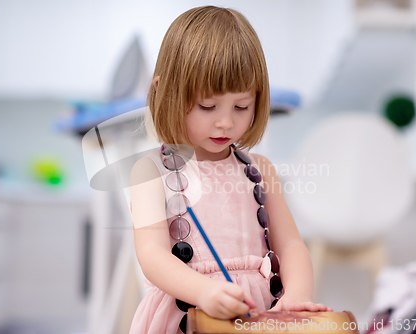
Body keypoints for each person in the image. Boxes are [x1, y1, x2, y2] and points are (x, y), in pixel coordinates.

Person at [128, 5, 333, 334]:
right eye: (207, 106)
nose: (225, 121)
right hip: (187, 314)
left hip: (257, 313)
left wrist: (296, 294)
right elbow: (152, 255)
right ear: (164, 91)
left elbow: (292, 245)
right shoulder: (151, 171)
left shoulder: (260, 170)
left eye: (242, 106)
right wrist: (204, 291)